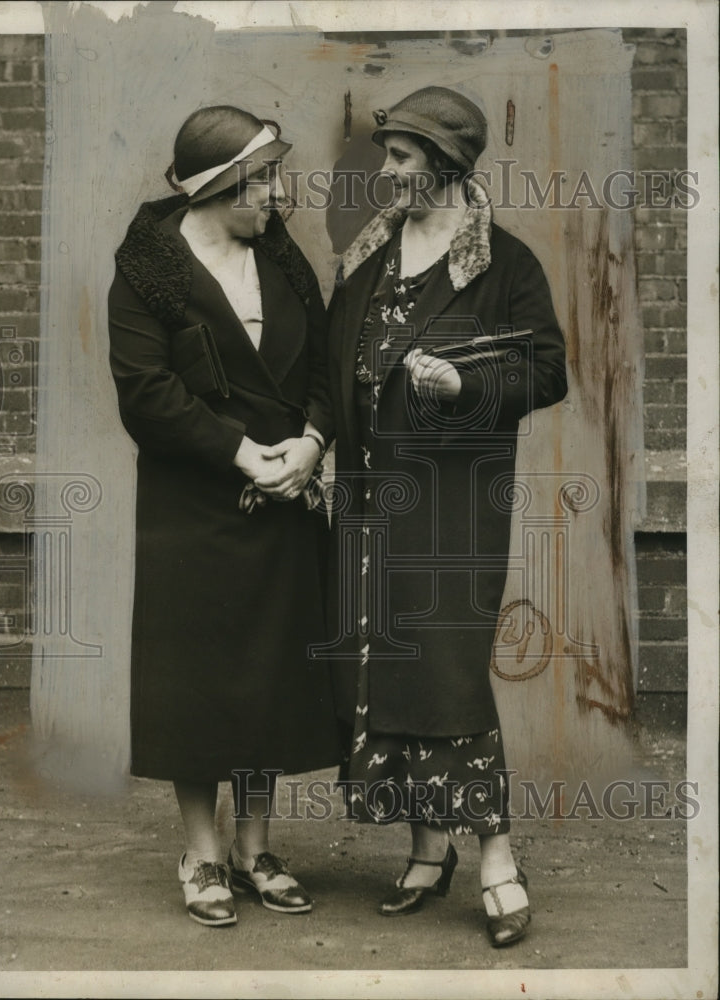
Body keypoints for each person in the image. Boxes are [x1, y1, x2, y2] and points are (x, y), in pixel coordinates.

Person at [326, 86, 567, 946]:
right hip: (366, 501)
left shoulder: (504, 265)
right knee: (380, 663)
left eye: (400, 158)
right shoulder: (368, 254)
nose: (385, 173)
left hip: (452, 506)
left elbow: (546, 373)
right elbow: (334, 369)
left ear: (446, 164)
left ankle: (496, 858)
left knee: (447, 672)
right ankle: (428, 849)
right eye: (387, 155)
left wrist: (467, 384)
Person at [108, 105, 340, 927]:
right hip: (195, 507)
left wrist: (311, 442)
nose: (278, 194)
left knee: (268, 675)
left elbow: (324, 357)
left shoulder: (282, 260)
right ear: (218, 187)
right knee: (200, 681)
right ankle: (202, 854)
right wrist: (248, 454)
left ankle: (256, 848)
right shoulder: (148, 269)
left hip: (285, 498)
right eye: (264, 180)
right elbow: (148, 394)